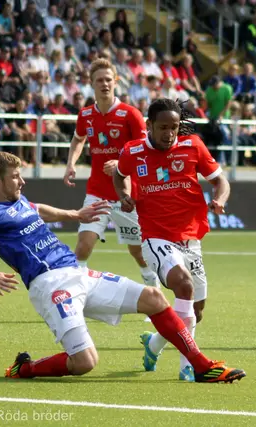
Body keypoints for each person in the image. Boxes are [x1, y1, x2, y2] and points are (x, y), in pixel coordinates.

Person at [0, 151, 245, 384]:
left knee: (155, 298)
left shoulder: (20, 200)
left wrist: (74, 214)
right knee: (84, 363)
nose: (22, 182)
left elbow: (37, 208)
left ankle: (202, 367)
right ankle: (25, 369)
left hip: (78, 272)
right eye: (15, 177)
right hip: (50, 285)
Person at [114, 98, 231, 381]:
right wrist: (124, 196)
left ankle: (153, 343)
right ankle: (187, 367)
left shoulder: (193, 146)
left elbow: (220, 180)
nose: (169, 133)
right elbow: (119, 175)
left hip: (190, 236)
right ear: (149, 125)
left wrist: (219, 199)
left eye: (174, 127)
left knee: (196, 311)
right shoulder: (134, 151)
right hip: (155, 236)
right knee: (183, 284)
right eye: (163, 127)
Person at [63, 58, 159, 289]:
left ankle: (154, 291)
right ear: (91, 83)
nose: (104, 84)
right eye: (99, 80)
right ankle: (77, 295)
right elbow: (78, 139)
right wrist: (71, 163)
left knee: (138, 252)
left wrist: (120, 162)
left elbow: (145, 150)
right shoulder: (85, 115)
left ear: (115, 81)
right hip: (97, 192)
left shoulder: (130, 114)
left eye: (108, 79)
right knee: (83, 247)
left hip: (127, 195)